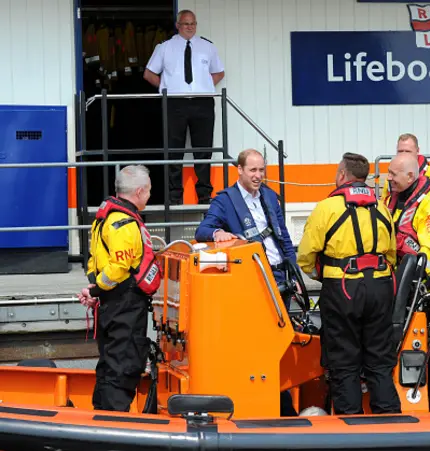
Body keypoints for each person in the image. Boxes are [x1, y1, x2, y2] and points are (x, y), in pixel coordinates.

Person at [297, 152, 401, 415]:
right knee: (380, 362)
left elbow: (306, 256)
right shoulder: (382, 207)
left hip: (342, 289)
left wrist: (322, 275)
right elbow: (391, 254)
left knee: (344, 363)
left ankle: (350, 427)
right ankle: (391, 425)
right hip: (380, 289)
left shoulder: (326, 208)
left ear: (342, 175)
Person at [78, 165, 162, 412]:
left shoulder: (104, 218)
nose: (148, 196)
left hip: (111, 303)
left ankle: (101, 417)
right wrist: (96, 291)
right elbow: (119, 266)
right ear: (139, 191)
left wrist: (96, 289)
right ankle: (115, 423)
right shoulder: (125, 222)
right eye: (148, 192)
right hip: (125, 304)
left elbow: (94, 259)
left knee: (109, 364)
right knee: (124, 365)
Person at [194, 149, 297, 309]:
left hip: (282, 275)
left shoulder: (269, 196)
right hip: (254, 278)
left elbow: (284, 238)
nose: (258, 175)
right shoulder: (224, 200)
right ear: (240, 170)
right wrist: (218, 233)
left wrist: (295, 275)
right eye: (253, 170)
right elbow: (202, 230)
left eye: (261, 170)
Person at [144, 9, 225, 205]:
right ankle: (174, 197)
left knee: (204, 150)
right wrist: (166, 87)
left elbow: (218, 72)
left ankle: (204, 195)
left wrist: (202, 86)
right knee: (174, 150)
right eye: (186, 23)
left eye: (193, 24)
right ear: (178, 25)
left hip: (202, 103)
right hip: (175, 103)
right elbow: (149, 74)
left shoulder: (207, 47)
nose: (190, 27)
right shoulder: (165, 47)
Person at [385, 153, 430, 266]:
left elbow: (429, 248)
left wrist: (418, 277)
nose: (388, 178)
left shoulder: (429, 201)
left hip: (418, 273)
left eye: (393, 174)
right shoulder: (392, 198)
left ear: (410, 176)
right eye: (388, 172)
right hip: (395, 268)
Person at [381, 133, 430, 201]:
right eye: (400, 151)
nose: (404, 154)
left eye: (408, 151)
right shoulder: (391, 179)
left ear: (417, 151)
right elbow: (384, 202)